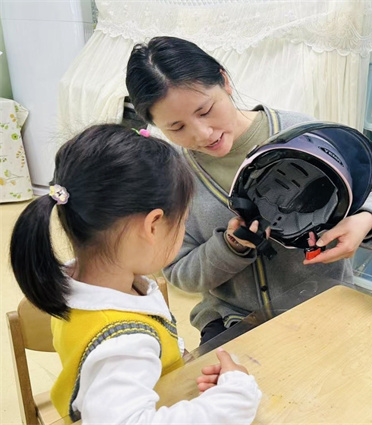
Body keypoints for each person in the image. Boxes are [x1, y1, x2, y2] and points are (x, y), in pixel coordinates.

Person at [125, 36, 372, 344]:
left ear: (224, 81)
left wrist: (364, 220)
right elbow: (180, 273)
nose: (202, 134)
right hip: (232, 319)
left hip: (324, 304)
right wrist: (231, 247)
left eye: (205, 111)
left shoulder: (299, 133)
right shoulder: (173, 177)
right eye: (177, 127)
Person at [9, 125, 262, 424]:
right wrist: (236, 394)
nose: (182, 230)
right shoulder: (123, 344)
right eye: (182, 222)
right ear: (153, 225)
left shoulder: (80, 283)